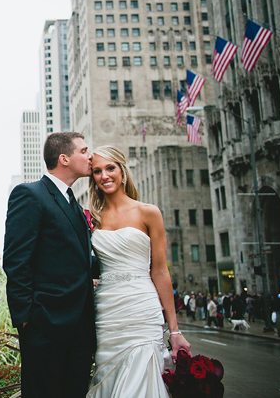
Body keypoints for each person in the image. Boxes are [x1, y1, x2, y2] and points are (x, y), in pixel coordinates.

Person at [86, 146, 191, 398]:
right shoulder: (92, 219)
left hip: (142, 308)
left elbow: (161, 272)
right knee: (108, 379)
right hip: (107, 313)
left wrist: (174, 330)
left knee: (140, 381)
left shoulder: (148, 212)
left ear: (122, 170)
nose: (104, 176)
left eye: (110, 168)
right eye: (98, 171)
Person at [3, 131, 96, 398]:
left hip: (80, 328)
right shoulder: (30, 195)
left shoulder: (75, 205)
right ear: (64, 158)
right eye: (84, 150)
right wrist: (26, 321)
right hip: (44, 327)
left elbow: (78, 260)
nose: (90, 156)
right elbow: (16, 260)